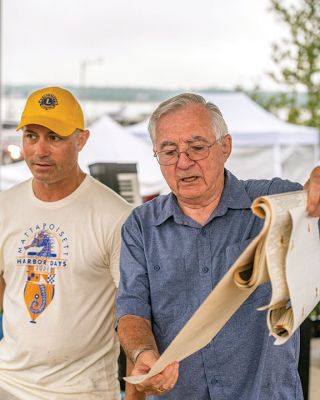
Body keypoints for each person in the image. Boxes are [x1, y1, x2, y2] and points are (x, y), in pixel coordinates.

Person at [116, 93, 320, 400]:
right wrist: (142, 351)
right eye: (169, 152)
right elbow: (132, 310)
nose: (183, 163)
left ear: (225, 147)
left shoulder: (276, 204)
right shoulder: (141, 226)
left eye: (197, 147)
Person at [0, 87, 132, 400]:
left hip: (83, 391)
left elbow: (135, 313)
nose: (40, 150)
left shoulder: (116, 216)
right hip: (8, 382)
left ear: (81, 140)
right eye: (31, 136)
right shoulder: (4, 206)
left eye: (55, 137)